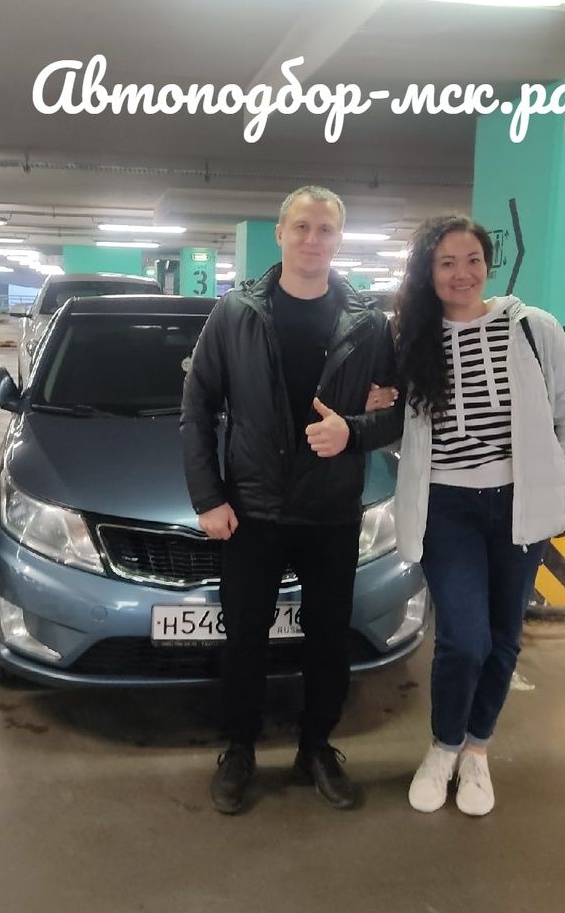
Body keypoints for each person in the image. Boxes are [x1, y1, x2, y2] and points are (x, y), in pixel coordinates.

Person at [180, 185, 402, 815]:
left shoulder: (368, 323)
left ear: (339, 239)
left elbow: (400, 414)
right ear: (279, 234)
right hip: (253, 510)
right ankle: (239, 750)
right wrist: (208, 497)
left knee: (328, 639)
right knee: (244, 637)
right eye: (301, 227)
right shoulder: (236, 313)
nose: (312, 239)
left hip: (332, 511)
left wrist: (352, 431)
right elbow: (198, 406)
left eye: (325, 229)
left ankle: (316, 748)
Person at [390, 214, 565, 815]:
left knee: (504, 636)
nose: (462, 273)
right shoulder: (410, 338)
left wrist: (564, 472)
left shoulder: (532, 328)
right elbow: (388, 417)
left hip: (518, 503)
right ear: (428, 271)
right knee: (463, 639)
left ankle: (476, 750)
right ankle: (443, 746)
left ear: (488, 265)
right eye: (447, 262)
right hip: (446, 506)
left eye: (473, 260)